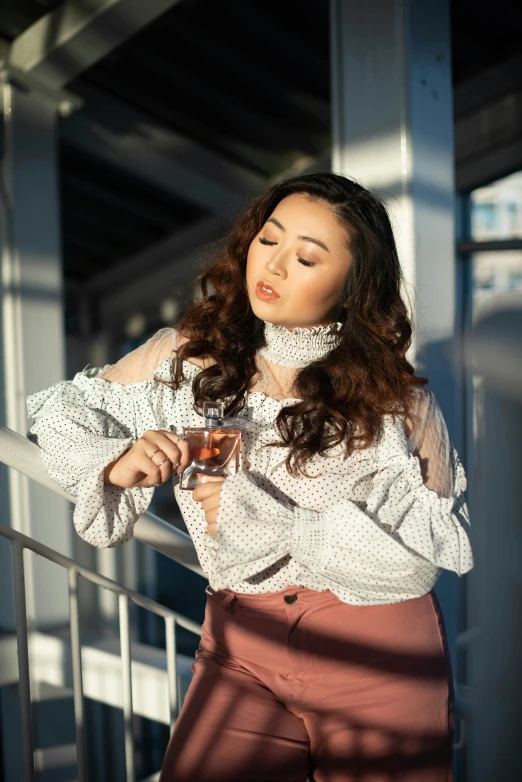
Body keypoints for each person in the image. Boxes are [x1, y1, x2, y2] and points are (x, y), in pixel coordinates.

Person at [27, 172, 473, 782]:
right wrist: (118, 458)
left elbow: (419, 561)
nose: (277, 265)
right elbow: (61, 411)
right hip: (239, 644)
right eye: (270, 240)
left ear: (352, 288)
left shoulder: (397, 404)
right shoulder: (187, 357)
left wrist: (264, 516)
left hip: (379, 651)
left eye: (308, 257)